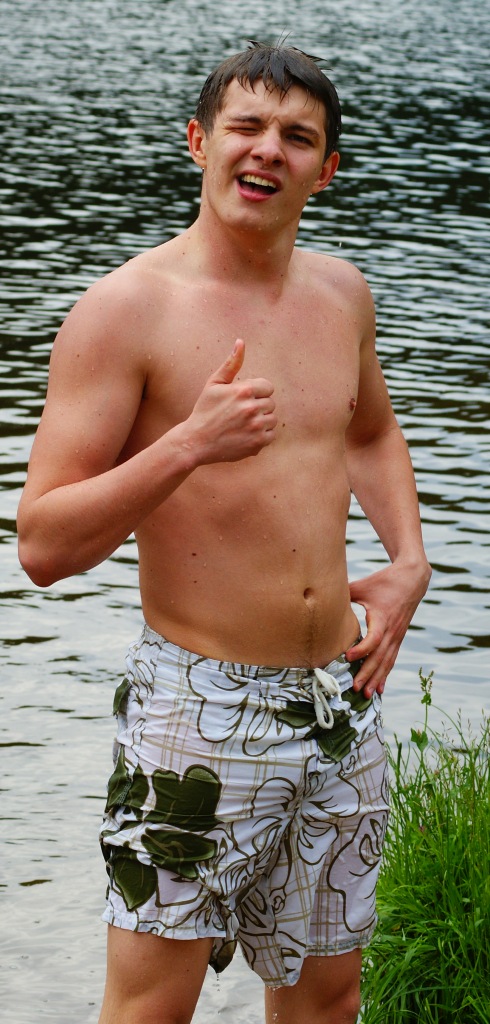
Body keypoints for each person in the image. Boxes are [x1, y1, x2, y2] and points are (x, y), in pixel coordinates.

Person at [17, 41, 431, 1024]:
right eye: (246, 126)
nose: (268, 150)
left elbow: (369, 432)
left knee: (328, 1000)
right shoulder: (125, 310)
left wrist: (409, 560)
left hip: (339, 698)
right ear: (199, 142)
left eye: (298, 137)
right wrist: (187, 446)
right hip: (196, 708)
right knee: (152, 1007)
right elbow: (42, 545)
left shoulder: (343, 294)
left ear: (325, 170)